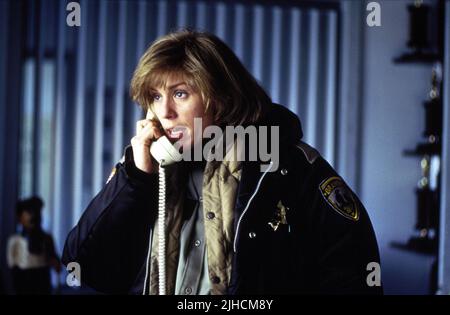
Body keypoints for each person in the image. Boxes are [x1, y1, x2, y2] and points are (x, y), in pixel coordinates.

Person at [62, 30, 382, 295]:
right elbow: (86, 268)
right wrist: (134, 178)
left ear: (222, 98)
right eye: (156, 97)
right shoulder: (143, 168)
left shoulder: (292, 167)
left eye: (180, 94)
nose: (165, 112)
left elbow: (355, 278)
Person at [7, 196, 61, 294]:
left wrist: (50, 259)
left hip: (42, 285)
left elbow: (57, 266)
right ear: (20, 218)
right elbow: (12, 274)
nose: (34, 217)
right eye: (29, 213)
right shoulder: (15, 241)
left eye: (37, 213)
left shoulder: (46, 239)